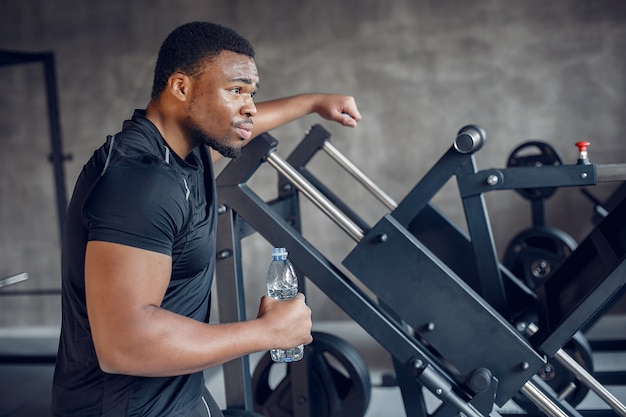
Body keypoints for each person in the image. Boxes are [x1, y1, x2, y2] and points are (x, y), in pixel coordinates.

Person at [51, 21, 361, 417]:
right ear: (181, 88)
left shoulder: (185, 152)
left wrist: (313, 102)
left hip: (171, 399)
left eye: (251, 93)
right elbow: (123, 346)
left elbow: (245, 123)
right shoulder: (140, 184)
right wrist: (267, 333)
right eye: (235, 90)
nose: (248, 105)